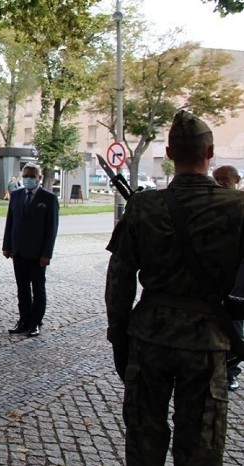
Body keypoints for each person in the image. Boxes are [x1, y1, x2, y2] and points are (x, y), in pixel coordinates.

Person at [106, 111, 244, 465]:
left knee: (144, 442)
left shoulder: (144, 205)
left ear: (169, 153)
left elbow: (119, 280)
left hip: (149, 337)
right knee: (200, 446)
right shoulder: (237, 207)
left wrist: (119, 336)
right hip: (206, 342)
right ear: (210, 152)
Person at [2, 163, 59, 337]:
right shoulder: (16, 195)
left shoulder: (48, 198)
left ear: (39, 178)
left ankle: (36, 322)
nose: (28, 179)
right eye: (25, 175)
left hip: (37, 254)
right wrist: (7, 246)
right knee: (22, 289)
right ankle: (24, 320)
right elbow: (10, 222)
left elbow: (52, 228)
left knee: (38, 289)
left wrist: (46, 253)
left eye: (32, 176)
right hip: (18, 251)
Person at [212, 164, 244, 392]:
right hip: (217, 279)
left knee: (236, 328)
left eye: (226, 178)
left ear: (237, 180)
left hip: (240, 278)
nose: (221, 183)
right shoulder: (210, 207)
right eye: (217, 179)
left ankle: (232, 371)